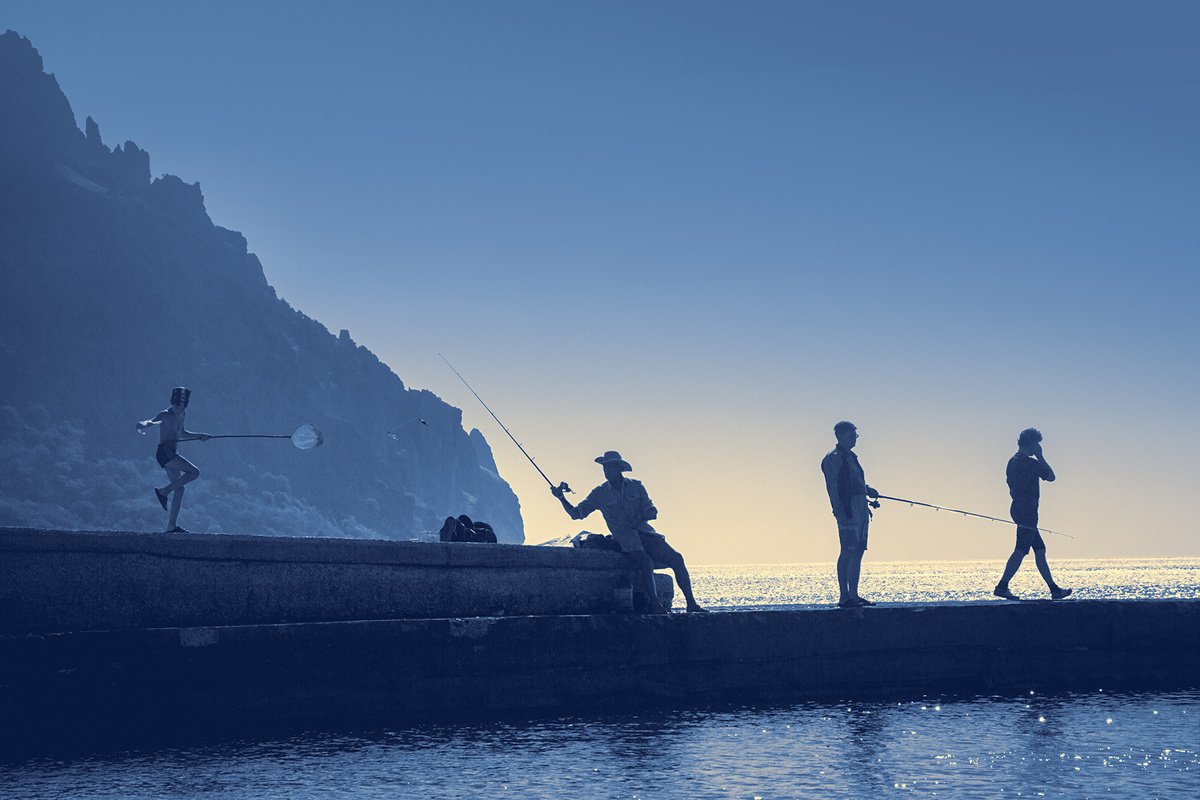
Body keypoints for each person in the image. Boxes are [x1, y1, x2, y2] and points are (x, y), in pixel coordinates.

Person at [552, 451, 706, 613]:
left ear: (619, 468)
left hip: (647, 534)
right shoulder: (599, 493)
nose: (606, 470)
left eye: (609, 466)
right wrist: (561, 498)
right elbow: (576, 514)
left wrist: (640, 517)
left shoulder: (636, 486)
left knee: (677, 559)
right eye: (604, 467)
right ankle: (655, 605)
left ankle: (691, 604)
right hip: (625, 539)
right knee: (646, 563)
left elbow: (652, 511)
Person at [993, 428, 1072, 601]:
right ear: (1031, 444)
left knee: (1040, 550)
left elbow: (1011, 488)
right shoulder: (1030, 463)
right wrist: (1041, 457)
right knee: (1021, 549)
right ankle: (1002, 586)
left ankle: (1054, 589)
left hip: (1017, 508)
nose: (1038, 447)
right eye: (1037, 445)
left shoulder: (1011, 462)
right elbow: (1051, 477)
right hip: (1028, 511)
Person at [821, 421, 880, 608]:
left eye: (856, 435)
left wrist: (867, 489)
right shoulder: (833, 458)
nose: (855, 438)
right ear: (841, 435)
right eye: (852, 434)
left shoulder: (851, 457)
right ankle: (844, 596)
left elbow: (853, 481)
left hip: (861, 508)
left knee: (859, 550)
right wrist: (841, 511)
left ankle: (854, 595)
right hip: (848, 510)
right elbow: (833, 488)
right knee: (848, 550)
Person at [136, 386, 209, 533]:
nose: (178, 409)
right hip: (164, 453)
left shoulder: (182, 414)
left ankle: (171, 526)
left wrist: (199, 435)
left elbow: (181, 433)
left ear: (184, 406)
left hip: (172, 452)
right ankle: (164, 491)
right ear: (172, 403)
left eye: (181, 407)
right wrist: (142, 424)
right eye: (176, 406)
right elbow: (150, 422)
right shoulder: (165, 414)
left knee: (180, 488)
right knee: (194, 472)